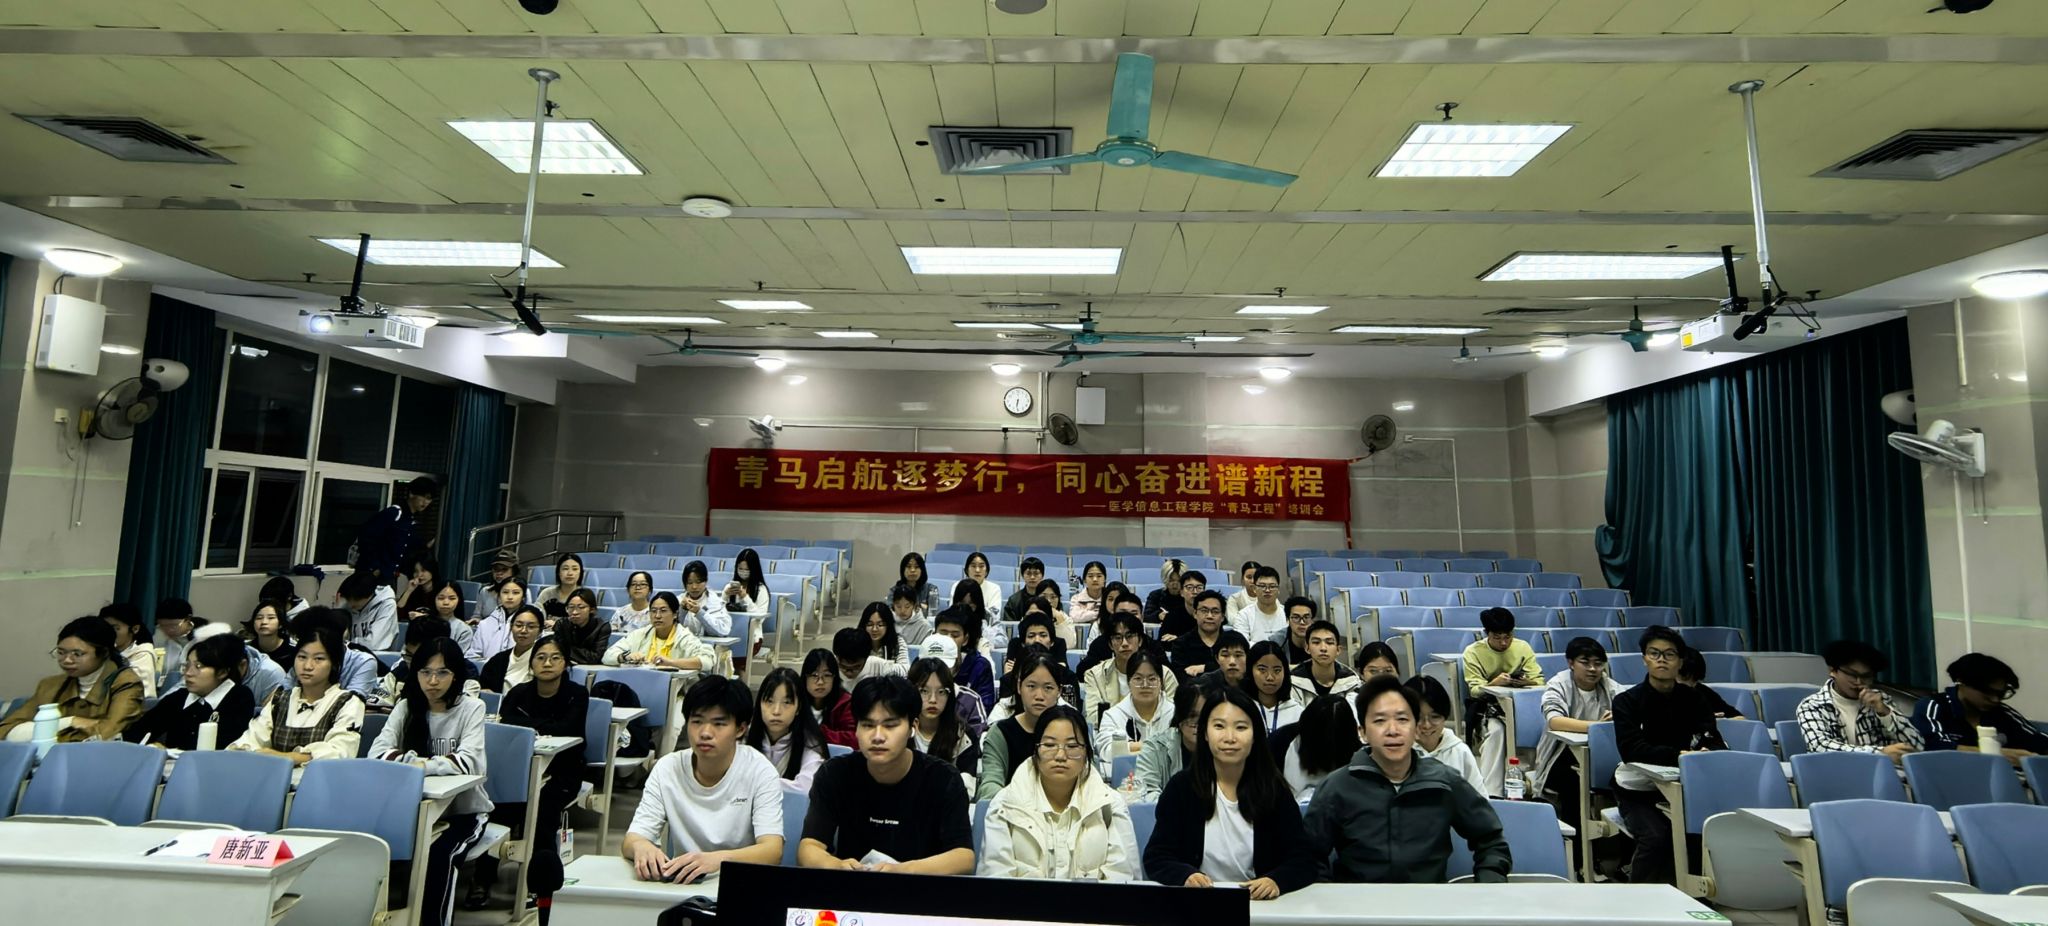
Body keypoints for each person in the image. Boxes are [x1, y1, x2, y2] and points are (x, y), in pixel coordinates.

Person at [1305, 675, 1512, 884]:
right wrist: (1328, 897)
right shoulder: (1338, 786)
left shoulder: (1443, 781)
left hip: (1428, 900)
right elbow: (1308, 854)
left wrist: (1488, 884)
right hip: (1358, 901)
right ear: (1363, 732)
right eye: (1379, 721)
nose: (1393, 731)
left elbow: (1490, 839)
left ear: (1415, 729)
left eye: (1402, 720)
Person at [1142, 685, 1320, 900]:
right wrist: (1185, 875)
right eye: (1219, 726)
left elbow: (1303, 859)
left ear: (1255, 735)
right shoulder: (1182, 788)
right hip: (1197, 903)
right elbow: (1156, 857)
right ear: (1205, 733)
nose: (1229, 737)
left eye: (1241, 727)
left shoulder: (1273, 789)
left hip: (1258, 904)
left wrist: (1275, 880)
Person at [368, 637, 490, 926]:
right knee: (368, 846)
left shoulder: (471, 708)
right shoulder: (406, 707)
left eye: (442, 672)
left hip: (463, 811)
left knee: (439, 855)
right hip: (408, 809)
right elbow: (377, 753)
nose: (433, 681)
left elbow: (469, 762)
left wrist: (419, 765)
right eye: (425, 672)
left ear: (456, 675)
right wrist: (421, 764)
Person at [799, 675, 976, 874]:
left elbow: (963, 857)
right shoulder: (835, 773)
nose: (877, 736)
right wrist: (836, 866)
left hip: (920, 888)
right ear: (856, 729)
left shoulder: (943, 779)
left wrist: (903, 870)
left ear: (913, 727)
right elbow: (809, 847)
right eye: (867, 725)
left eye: (890, 725)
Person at [623, 676, 785, 884]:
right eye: (697, 721)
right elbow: (632, 839)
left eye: (719, 723)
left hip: (741, 885)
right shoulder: (667, 769)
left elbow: (772, 850)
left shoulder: (760, 771)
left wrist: (717, 860)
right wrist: (641, 846)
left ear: (740, 729)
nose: (705, 733)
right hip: (684, 887)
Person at [482, 634, 589, 917]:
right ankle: (482, 879)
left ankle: (540, 888)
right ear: (531, 663)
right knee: (496, 806)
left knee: (543, 811)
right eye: (540, 657)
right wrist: (546, 725)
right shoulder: (519, 693)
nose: (547, 663)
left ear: (565, 663)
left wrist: (530, 726)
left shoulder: (577, 694)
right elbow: (507, 723)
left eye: (555, 658)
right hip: (521, 769)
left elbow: (569, 729)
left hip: (564, 770)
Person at [1612, 625, 1727, 885]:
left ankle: (1699, 898)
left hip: (1686, 785)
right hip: (1638, 788)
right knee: (1656, 837)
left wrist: (1708, 751)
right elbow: (1632, 750)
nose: (1661, 659)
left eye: (1669, 654)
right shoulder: (1627, 701)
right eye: (1654, 653)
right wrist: (1681, 755)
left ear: (1680, 661)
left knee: (1701, 832)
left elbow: (1712, 738)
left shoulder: (1695, 699)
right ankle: (1636, 900)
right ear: (1644, 659)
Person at [980, 703, 1141, 882]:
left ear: (1086, 753)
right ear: (1035, 751)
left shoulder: (1110, 804)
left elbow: (1123, 879)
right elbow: (996, 880)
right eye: (1049, 745)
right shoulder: (1005, 804)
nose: (1060, 756)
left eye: (1072, 746)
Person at [226, 619, 366, 763]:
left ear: (334, 664)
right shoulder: (280, 699)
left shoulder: (347, 702)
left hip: (319, 776)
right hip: (273, 775)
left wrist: (288, 757)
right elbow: (252, 739)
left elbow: (340, 752)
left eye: (319, 659)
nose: (307, 666)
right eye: (302, 657)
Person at [0, 616, 147, 743]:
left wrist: (42, 733)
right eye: (61, 652)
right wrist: (69, 722)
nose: (67, 660)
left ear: (104, 653)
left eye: (77, 654)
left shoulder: (126, 683)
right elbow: (6, 730)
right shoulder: (50, 685)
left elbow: (107, 735)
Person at [1536, 635, 1625, 839]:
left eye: (1598, 664)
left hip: (1600, 757)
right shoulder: (1558, 684)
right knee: (1574, 782)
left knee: (1626, 779)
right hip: (1559, 756)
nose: (1593, 669)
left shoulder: (1609, 686)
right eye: (1585, 662)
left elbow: (1632, 713)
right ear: (1571, 663)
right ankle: (1577, 848)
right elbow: (1555, 721)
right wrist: (1597, 727)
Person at [1796, 639, 1921, 766]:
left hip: (1881, 772)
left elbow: (1917, 746)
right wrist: (1879, 753)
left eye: (1866, 676)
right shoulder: (1812, 706)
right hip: (1835, 771)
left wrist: (1885, 713)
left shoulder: (1880, 700)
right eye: (1852, 675)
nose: (1858, 682)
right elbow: (1820, 747)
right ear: (1832, 671)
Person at [123, 633, 255, 749]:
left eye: (198, 666)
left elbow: (228, 746)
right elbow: (137, 733)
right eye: (187, 665)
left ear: (222, 672)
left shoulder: (240, 698)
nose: (188, 673)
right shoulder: (179, 697)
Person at [1462, 606, 1542, 796]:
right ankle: (1491, 792)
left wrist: (1525, 682)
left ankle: (1536, 789)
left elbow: (1539, 681)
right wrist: (1494, 683)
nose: (1504, 642)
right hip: (1489, 709)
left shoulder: (1522, 647)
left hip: (1522, 708)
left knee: (1538, 730)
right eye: (1497, 637)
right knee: (1497, 732)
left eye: (1508, 637)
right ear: (1486, 633)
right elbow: (1474, 690)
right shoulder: (1473, 652)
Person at [1914, 653, 2048, 762]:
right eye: (1987, 692)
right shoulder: (1933, 706)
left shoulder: (2002, 713)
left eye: (2000, 694)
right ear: (1961, 682)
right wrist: (2000, 755)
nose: (1995, 700)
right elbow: (1934, 748)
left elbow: (2040, 742)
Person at [977, 651, 1065, 799]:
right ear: (1019, 687)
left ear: (1059, 691)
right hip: (1011, 808)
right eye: (1031, 686)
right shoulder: (1000, 733)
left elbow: (1089, 781)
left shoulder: (1072, 731)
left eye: (1048, 688)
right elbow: (990, 785)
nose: (1039, 696)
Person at [1083, 609, 1178, 728]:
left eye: (1130, 636)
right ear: (1110, 644)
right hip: (1112, 734)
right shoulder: (1095, 675)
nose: (1124, 643)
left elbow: (1175, 715)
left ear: (1140, 640)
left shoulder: (1164, 674)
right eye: (1118, 637)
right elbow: (1094, 717)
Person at [745, 667, 832, 793]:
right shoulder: (744, 738)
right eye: (769, 701)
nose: (776, 711)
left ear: (798, 708)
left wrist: (754, 783)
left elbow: (805, 789)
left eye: (786, 702)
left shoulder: (810, 745)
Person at [1131, 680, 1210, 802]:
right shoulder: (1155, 748)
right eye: (1192, 716)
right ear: (1180, 717)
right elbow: (1146, 793)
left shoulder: (1224, 750)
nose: (1199, 725)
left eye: (1205, 717)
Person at [353, 475, 436, 587]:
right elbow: (366, 536)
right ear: (411, 494)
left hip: (390, 576)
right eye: (424, 497)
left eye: (429, 498)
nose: (426, 502)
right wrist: (376, 568)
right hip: (372, 574)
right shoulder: (395, 512)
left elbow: (408, 548)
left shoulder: (411, 521)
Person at [604, 592, 716, 675]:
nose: (657, 616)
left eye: (663, 611)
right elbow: (607, 656)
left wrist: (671, 663)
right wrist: (625, 657)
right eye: (653, 611)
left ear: (675, 614)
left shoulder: (684, 637)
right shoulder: (640, 634)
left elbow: (707, 660)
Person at [1408, 675, 1485, 792]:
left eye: (1435, 717)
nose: (1427, 725)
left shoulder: (1460, 751)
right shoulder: (1398, 753)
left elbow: (1480, 798)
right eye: (1418, 718)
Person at [909, 657, 982, 777]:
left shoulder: (964, 735)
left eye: (941, 692)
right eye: (924, 691)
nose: (933, 700)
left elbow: (967, 784)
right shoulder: (901, 730)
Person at [384, 616, 482, 703]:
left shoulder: (466, 673)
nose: (413, 664)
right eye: (409, 655)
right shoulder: (401, 669)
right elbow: (379, 703)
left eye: (420, 658)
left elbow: (463, 710)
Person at [1095, 650, 1173, 759]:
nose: (1145, 685)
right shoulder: (1113, 716)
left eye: (1152, 679)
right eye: (1138, 679)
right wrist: (1146, 746)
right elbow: (1105, 751)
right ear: (1128, 682)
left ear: (1161, 682)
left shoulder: (1175, 714)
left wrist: (1130, 748)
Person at [932, 605, 997, 711]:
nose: (948, 639)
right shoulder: (922, 663)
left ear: (965, 639)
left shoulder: (980, 666)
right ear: (933, 635)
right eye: (943, 634)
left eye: (955, 635)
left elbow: (984, 709)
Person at [1289, 619, 1360, 704]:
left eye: (1329, 643)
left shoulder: (1352, 681)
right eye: (1316, 642)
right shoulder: (1293, 682)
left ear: (1338, 650)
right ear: (1307, 648)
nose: (1323, 648)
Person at [479, 606, 544, 693]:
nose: (523, 631)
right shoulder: (498, 660)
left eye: (531, 627)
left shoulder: (543, 661)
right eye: (519, 625)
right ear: (511, 627)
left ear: (540, 631)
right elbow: (484, 687)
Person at [1243, 641, 1304, 734]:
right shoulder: (1240, 710)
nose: (1270, 677)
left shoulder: (1298, 713)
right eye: (1262, 669)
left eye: (1277, 670)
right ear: (1250, 671)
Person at [100, 603, 159, 699]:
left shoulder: (143, 654)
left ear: (135, 629)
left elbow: (135, 689)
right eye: (105, 628)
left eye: (115, 628)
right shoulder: (104, 651)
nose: (108, 633)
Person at [1169, 589, 1231, 678]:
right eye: (1204, 611)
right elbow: (1181, 678)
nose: (1209, 616)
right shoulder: (1181, 644)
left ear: (1222, 617)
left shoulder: (1233, 642)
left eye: (1215, 611)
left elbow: (1239, 669)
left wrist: (1205, 668)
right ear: (1195, 613)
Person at [801, 648, 856, 747]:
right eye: (814, 675)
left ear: (835, 677)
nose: (820, 682)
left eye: (827, 675)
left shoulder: (845, 703)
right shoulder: (796, 701)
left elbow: (854, 738)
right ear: (805, 677)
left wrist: (820, 733)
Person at [337, 570, 399, 652]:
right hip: (352, 652)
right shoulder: (349, 600)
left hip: (378, 655)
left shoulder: (387, 604)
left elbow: (374, 644)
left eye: (354, 606)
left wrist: (347, 643)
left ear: (368, 596)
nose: (351, 607)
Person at [724, 548, 771, 653]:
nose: (743, 572)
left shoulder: (761, 590)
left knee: (732, 656)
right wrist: (725, 595)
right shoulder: (730, 587)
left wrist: (745, 597)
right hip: (729, 634)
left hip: (752, 637)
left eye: (747, 569)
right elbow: (717, 612)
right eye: (740, 569)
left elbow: (759, 618)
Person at [1678, 647, 1746, 719]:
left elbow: (1739, 718)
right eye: (1684, 678)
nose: (1689, 685)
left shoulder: (1703, 692)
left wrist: (1716, 721)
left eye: (1694, 680)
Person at [674, 560, 733, 639]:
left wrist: (700, 612)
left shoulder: (715, 602)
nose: (694, 587)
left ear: (705, 581)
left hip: (710, 646)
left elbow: (723, 631)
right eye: (690, 582)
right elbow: (670, 630)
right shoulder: (677, 601)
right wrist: (682, 611)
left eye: (698, 582)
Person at [474, 578, 527, 662]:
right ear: (499, 595)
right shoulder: (485, 624)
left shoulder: (530, 624)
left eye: (516, 593)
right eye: (505, 592)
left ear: (523, 596)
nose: (510, 597)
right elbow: (473, 655)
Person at [554, 588, 610, 667]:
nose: (574, 612)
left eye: (581, 607)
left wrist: (565, 650)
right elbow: (556, 650)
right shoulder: (561, 624)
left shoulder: (602, 627)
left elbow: (595, 657)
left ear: (592, 609)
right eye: (571, 607)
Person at [963, 552, 1005, 647]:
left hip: (986, 630)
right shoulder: (958, 586)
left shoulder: (994, 588)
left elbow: (994, 614)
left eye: (981, 566)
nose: (977, 570)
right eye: (973, 566)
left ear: (986, 571)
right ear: (966, 570)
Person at [1236, 567, 1289, 641]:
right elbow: (1242, 644)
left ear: (1278, 590)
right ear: (1254, 588)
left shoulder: (1287, 614)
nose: (1267, 590)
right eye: (1262, 586)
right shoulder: (1244, 615)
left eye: (1272, 586)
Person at [244, 599, 296, 671]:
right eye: (259, 618)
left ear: (280, 624)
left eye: (271, 618)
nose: (264, 622)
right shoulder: (246, 649)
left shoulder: (293, 651)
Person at [156, 598, 200, 683]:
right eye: (163, 626)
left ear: (188, 619)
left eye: (173, 625)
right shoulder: (165, 644)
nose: (168, 630)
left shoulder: (201, 642)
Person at [1269, 596, 1318, 667]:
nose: (1302, 622)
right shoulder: (1277, 642)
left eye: (1306, 617)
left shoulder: (1321, 640)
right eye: (1296, 617)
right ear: (1287, 619)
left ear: (1312, 620)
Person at [860, 601, 909, 671]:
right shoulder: (857, 641)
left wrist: (876, 664)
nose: (874, 629)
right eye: (870, 624)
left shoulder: (897, 642)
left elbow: (904, 669)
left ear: (888, 625)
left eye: (880, 625)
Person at [1033, 579, 1081, 649]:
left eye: (1053, 597)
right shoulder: (1031, 615)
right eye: (1044, 597)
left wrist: (1060, 620)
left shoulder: (1064, 617)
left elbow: (1070, 644)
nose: (1049, 601)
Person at [1143, 560, 1189, 633]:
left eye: (1179, 580)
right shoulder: (1155, 595)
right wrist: (1159, 615)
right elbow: (1147, 616)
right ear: (1165, 579)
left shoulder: (1189, 596)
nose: (1175, 584)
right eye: (1171, 580)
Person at [1001, 557, 1047, 623]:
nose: (1032, 577)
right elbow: (1009, 626)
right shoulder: (1013, 601)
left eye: (1036, 573)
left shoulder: (1049, 599)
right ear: (1022, 576)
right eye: (1028, 573)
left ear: (1042, 576)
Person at [1070, 560, 1109, 625]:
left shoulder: (1110, 598)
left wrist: (1087, 614)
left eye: (1099, 576)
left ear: (1105, 579)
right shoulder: (1076, 598)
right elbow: (1074, 617)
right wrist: (1100, 613)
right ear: (1084, 580)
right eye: (1090, 576)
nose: (1095, 579)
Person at [897, 551, 933, 616]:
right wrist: (921, 606)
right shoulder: (895, 590)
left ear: (922, 570)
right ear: (903, 570)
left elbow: (933, 612)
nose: (912, 570)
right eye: (908, 566)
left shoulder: (931, 589)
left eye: (916, 567)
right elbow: (891, 612)